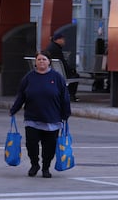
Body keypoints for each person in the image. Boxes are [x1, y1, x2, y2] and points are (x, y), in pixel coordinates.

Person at [9, 50, 71, 178]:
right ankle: (34, 164)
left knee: (49, 146)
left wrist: (66, 114)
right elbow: (21, 95)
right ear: (35, 62)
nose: (41, 62)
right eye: (39, 59)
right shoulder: (29, 77)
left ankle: (46, 167)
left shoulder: (57, 78)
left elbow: (65, 97)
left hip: (52, 119)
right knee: (31, 145)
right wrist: (14, 109)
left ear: (49, 62)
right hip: (32, 118)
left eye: (44, 59)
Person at [46, 32, 79, 102]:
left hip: (51, 72)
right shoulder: (57, 49)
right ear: (57, 40)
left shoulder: (50, 47)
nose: (64, 41)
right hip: (60, 74)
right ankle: (71, 95)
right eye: (62, 39)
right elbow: (63, 64)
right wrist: (71, 70)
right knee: (75, 75)